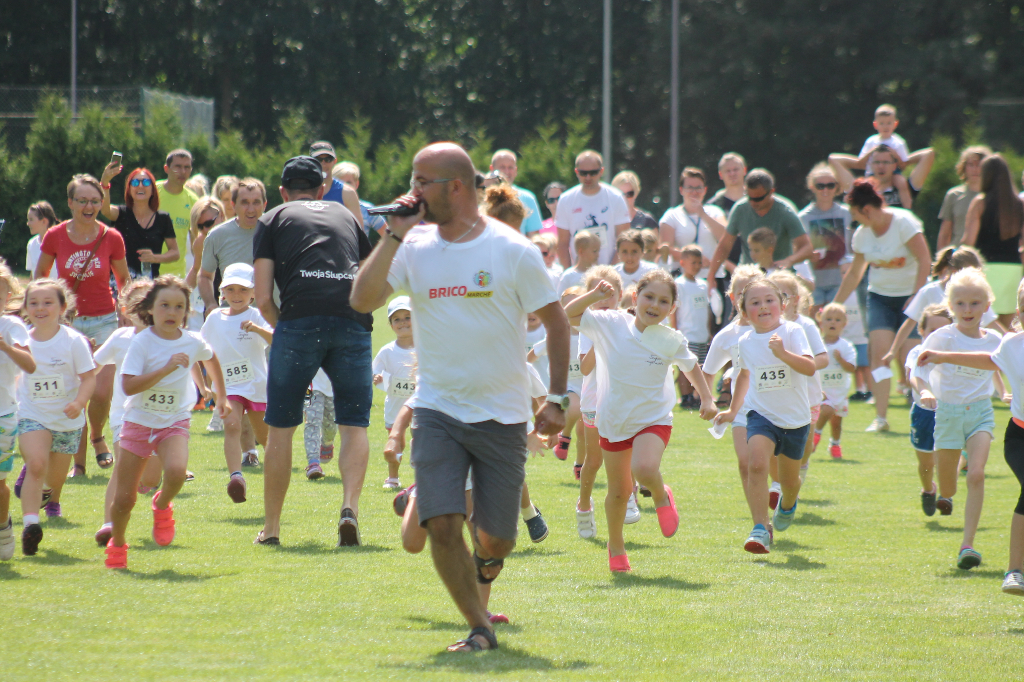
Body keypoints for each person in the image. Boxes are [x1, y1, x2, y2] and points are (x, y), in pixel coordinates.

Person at [349, 142, 569, 653]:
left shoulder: (511, 249)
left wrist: (557, 397)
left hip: (503, 414)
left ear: (454, 187)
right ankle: (479, 627)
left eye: (420, 182)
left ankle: (486, 561)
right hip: (437, 409)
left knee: (497, 539)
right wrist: (393, 235)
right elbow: (361, 299)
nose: (411, 192)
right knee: (444, 525)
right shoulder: (414, 244)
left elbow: (557, 323)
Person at [253, 155, 373, 548]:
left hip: (299, 319)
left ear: (282, 191)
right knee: (354, 424)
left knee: (282, 428)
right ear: (322, 189)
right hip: (352, 318)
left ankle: (272, 528)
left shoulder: (273, 217)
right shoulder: (347, 215)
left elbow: (262, 295)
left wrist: (283, 328)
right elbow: (369, 273)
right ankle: (349, 507)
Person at [566, 271, 715, 571]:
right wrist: (594, 295)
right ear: (635, 298)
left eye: (663, 301)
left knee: (644, 469)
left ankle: (660, 495)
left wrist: (707, 398)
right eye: (649, 297)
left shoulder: (670, 339)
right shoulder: (610, 323)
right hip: (615, 420)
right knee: (619, 491)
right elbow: (568, 313)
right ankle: (616, 548)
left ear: (672, 308)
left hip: (653, 419)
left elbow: (690, 366)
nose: (655, 305)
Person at [104, 276, 229, 569]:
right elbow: (129, 386)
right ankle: (118, 544)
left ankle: (161, 505)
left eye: (179, 306)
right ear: (150, 308)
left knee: (175, 472)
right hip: (137, 422)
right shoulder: (141, 342)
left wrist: (221, 396)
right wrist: (166, 368)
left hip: (174, 421)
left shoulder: (192, 341)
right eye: (164, 305)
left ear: (186, 311)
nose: (172, 312)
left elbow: (211, 359)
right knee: (124, 499)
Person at [35, 174, 129, 475]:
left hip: (104, 320)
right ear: (70, 203)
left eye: (94, 201)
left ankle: (98, 436)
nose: (89, 206)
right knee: (76, 393)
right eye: (82, 201)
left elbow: (123, 280)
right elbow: (40, 278)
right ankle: (78, 463)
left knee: (101, 392)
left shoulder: (111, 237)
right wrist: (44, 310)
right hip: (69, 323)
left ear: (101, 203)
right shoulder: (55, 236)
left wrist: (127, 310)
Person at [715, 276, 816, 554]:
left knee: (789, 482)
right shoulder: (745, 341)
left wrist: (782, 353)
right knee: (756, 465)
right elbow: (744, 375)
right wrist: (733, 410)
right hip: (761, 415)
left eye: (769, 300)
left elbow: (809, 368)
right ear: (744, 312)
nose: (763, 306)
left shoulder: (793, 331)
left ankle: (788, 504)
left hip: (795, 419)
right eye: (755, 302)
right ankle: (759, 528)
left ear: (782, 305)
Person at [915, 268, 1002, 570]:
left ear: (987, 305)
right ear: (950, 306)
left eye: (975, 303)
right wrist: (925, 391)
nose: (968, 310)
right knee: (949, 488)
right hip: (948, 414)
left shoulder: (995, 339)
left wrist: (1009, 393)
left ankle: (968, 545)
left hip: (980, 413)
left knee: (977, 475)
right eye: (961, 303)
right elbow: (920, 370)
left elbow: (1007, 365)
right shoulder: (942, 337)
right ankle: (943, 487)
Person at [833, 179, 931, 434]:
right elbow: (855, 274)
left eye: (855, 214)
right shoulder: (862, 235)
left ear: (866, 209)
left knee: (911, 359)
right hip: (879, 298)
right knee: (879, 356)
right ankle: (881, 417)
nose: (854, 220)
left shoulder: (904, 222)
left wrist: (916, 296)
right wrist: (835, 304)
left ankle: (922, 415)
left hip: (911, 298)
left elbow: (925, 259)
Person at [16, 279, 95, 556]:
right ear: (25, 308)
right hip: (32, 415)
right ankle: (30, 526)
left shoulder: (73, 341)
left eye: (48, 302)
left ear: (62, 307)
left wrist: (79, 402)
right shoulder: (20, 340)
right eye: (34, 303)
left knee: (54, 481)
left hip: (67, 421)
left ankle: (49, 496)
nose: (40, 308)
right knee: (37, 465)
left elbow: (89, 378)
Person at [93, 280, 162, 547]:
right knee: (122, 468)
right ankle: (109, 524)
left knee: (149, 478)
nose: (143, 310)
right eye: (136, 304)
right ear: (125, 310)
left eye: (148, 303)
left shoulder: (167, 338)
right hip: (124, 416)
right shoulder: (120, 338)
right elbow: (94, 365)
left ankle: (153, 490)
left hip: (158, 417)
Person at [200, 263, 273, 502]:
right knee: (231, 426)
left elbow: (277, 338)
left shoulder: (257, 315)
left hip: (256, 386)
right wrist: (206, 383)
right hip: (228, 386)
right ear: (222, 292)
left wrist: (257, 330)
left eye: (243, 289)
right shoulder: (214, 318)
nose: (236, 295)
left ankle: (275, 476)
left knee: (266, 438)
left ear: (253, 292)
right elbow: (202, 349)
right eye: (230, 289)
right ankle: (236, 477)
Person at [701, 265, 763, 537]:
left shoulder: (779, 329)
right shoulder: (727, 335)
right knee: (746, 463)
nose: (747, 299)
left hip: (776, 407)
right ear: (732, 297)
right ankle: (761, 523)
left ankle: (783, 494)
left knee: (773, 465)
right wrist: (708, 400)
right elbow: (707, 371)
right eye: (741, 293)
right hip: (742, 408)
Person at [705, 169, 813, 296]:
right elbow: (724, 245)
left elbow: (807, 247)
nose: (753, 203)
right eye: (749, 197)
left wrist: (789, 260)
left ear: (771, 192)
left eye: (759, 199)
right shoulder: (740, 209)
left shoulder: (785, 211)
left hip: (779, 279)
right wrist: (711, 276)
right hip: (750, 278)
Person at [961, 153, 1024, 328]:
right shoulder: (1019, 205)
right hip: (1012, 269)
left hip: (986, 268)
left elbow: (969, 242)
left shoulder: (980, 202)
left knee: (985, 323)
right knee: (1008, 324)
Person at [903, 304, 953, 519]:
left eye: (943, 330)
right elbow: (912, 375)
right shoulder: (917, 352)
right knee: (926, 464)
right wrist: (924, 392)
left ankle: (946, 494)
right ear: (921, 331)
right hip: (924, 413)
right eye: (932, 330)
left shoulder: (957, 354)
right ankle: (928, 489)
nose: (937, 336)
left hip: (951, 412)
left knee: (946, 458)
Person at [0, 263, 33, 561]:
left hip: (3, 415)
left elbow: (30, 365)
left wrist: (7, 348)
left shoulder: (12, 327)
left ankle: (3, 527)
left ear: (8, 296)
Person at [198, 177, 268, 313]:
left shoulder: (278, 231)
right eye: (245, 202)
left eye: (256, 202)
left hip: (269, 318)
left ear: (265, 205)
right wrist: (211, 304)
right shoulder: (217, 235)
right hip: (231, 317)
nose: (251, 209)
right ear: (233, 205)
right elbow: (205, 276)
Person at [99, 164, 180, 279]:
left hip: (149, 282)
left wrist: (155, 258)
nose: (140, 186)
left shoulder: (163, 218)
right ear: (129, 190)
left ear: (153, 190)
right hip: (121, 282)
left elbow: (175, 253)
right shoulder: (121, 214)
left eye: (146, 182)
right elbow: (105, 210)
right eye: (135, 183)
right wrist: (105, 182)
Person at [555, 151, 631, 268]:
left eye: (593, 173)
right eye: (583, 173)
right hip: (579, 272)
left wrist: (610, 271)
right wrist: (570, 273)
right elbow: (563, 244)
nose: (588, 177)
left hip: (611, 270)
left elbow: (624, 240)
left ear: (601, 171)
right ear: (576, 172)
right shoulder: (566, 200)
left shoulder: (616, 198)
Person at [372, 296, 416, 490]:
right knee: (396, 441)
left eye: (407, 317)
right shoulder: (387, 351)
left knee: (421, 439)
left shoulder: (425, 348)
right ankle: (393, 477)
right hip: (395, 405)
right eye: (397, 319)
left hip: (421, 404)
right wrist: (378, 378)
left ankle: (420, 479)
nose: (403, 322)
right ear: (390, 325)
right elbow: (375, 372)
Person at [798, 163, 853, 314]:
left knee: (835, 322)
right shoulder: (803, 217)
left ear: (837, 187)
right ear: (812, 187)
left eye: (830, 185)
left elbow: (855, 246)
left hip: (841, 282)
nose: (825, 190)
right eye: (820, 186)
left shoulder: (848, 213)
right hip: (814, 282)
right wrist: (808, 254)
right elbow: (797, 250)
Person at [658, 167, 728, 280]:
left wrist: (703, 215)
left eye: (698, 188)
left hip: (712, 277)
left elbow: (725, 238)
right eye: (690, 188)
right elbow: (665, 250)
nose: (694, 192)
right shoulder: (671, 215)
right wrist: (694, 259)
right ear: (681, 190)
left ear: (705, 190)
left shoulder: (715, 212)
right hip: (682, 278)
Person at [812, 302, 857, 460]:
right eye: (829, 319)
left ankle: (835, 444)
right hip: (822, 391)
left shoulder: (846, 346)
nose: (833, 323)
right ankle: (815, 435)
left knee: (836, 422)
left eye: (837, 320)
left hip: (840, 391)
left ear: (844, 324)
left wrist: (841, 360)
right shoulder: (816, 345)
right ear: (821, 322)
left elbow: (851, 368)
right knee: (826, 410)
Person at [831, 144, 935, 211]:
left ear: (894, 165)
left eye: (886, 162)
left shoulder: (905, 187)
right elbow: (834, 159)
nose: (881, 166)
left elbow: (928, 154)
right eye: (877, 162)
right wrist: (860, 162)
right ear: (871, 165)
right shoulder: (860, 190)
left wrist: (902, 162)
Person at [674, 245, 714, 408]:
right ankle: (685, 397)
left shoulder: (703, 285)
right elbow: (674, 310)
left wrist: (709, 331)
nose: (697, 266)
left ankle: (696, 396)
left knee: (700, 366)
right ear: (682, 263)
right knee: (686, 367)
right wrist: (675, 330)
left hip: (701, 334)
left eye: (699, 262)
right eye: (693, 263)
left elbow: (707, 310)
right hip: (687, 334)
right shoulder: (679, 284)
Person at [937, 146, 991, 249]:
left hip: (986, 254)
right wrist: (941, 256)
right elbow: (945, 234)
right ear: (964, 167)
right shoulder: (954, 195)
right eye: (971, 165)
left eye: (979, 165)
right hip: (959, 253)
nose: (975, 169)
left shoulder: (993, 196)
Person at [156, 149, 199, 267]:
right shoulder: (152, 192)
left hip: (178, 272)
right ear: (166, 168)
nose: (183, 172)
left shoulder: (194, 201)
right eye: (178, 167)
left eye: (187, 167)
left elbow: (197, 240)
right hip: (150, 270)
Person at [308, 141, 364, 230]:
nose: (323, 163)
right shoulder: (301, 190)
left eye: (328, 159)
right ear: (310, 162)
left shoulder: (347, 193)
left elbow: (359, 231)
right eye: (318, 159)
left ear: (335, 161)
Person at [490, 150, 543, 235]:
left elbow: (534, 237)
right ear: (492, 169)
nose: (506, 171)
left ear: (516, 170)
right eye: (502, 167)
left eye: (510, 167)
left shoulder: (527, 198)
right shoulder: (481, 197)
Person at [334, 161, 387, 241]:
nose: (345, 187)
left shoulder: (367, 209)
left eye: (348, 183)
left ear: (356, 184)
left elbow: (389, 237)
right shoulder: (326, 208)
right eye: (340, 183)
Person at [557, 229, 601, 295]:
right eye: (594, 251)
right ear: (581, 251)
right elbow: (561, 297)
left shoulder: (598, 273)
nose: (598, 255)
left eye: (598, 251)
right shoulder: (568, 276)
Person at [25, 201, 57, 278]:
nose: (28, 223)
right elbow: (32, 275)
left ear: (44, 221)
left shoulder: (60, 243)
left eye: (31, 219)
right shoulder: (31, 244)